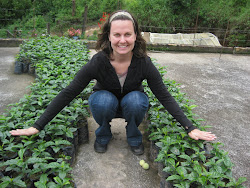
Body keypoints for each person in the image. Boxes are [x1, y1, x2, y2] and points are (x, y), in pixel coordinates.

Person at [10, 10, 216, 155]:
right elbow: (69, 92)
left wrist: (190, 127)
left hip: (132, 105)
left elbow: (164, 95)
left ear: (136, 35)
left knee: (136, 100)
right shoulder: (98, 62)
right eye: (117, 34)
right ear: (109, 36)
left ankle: (134, 137)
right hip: (105, 104)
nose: (122, 40)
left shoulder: (144, 63)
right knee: (101, 101)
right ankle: (103, 134)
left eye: (128, 34)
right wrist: (37, 126)